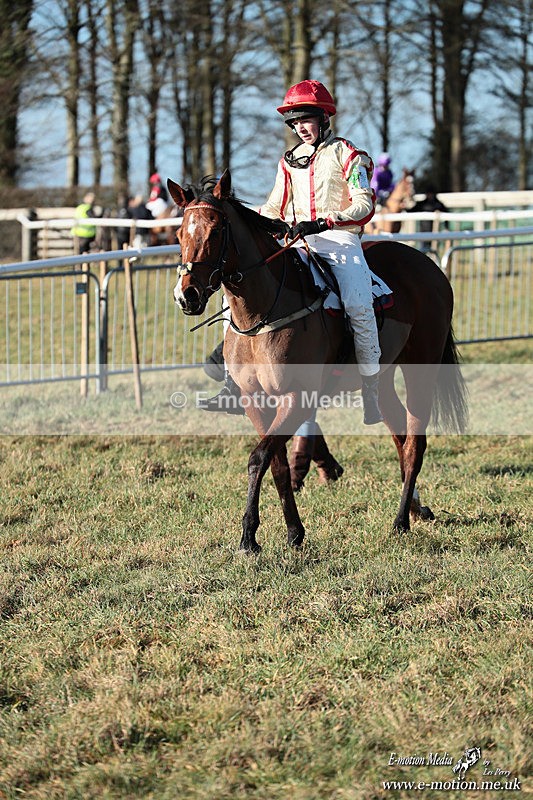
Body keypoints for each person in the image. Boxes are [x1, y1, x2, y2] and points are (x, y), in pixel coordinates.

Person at [200, 79, 382, 424]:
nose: (300, 127)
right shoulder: (289, 161)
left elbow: (363, 204)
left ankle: (371, 386)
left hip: (338, 241)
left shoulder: (348, 154)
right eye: (294, 122)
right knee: (237, 293)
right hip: (296, 242)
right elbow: (274, 206)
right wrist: (257, 224)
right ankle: (231, 382)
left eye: (306, 119)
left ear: (323, 118)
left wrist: (325, 222)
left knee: (358, 303)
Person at [409, 184, 448, 252]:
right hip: (423, 233)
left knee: (434, 251)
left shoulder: (438, 205)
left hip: (435, 233)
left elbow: (447, 216)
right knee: (423, 252)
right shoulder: (422, 204)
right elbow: (411, 211)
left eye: (431, 194)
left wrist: (446, 227)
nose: (430, 195)